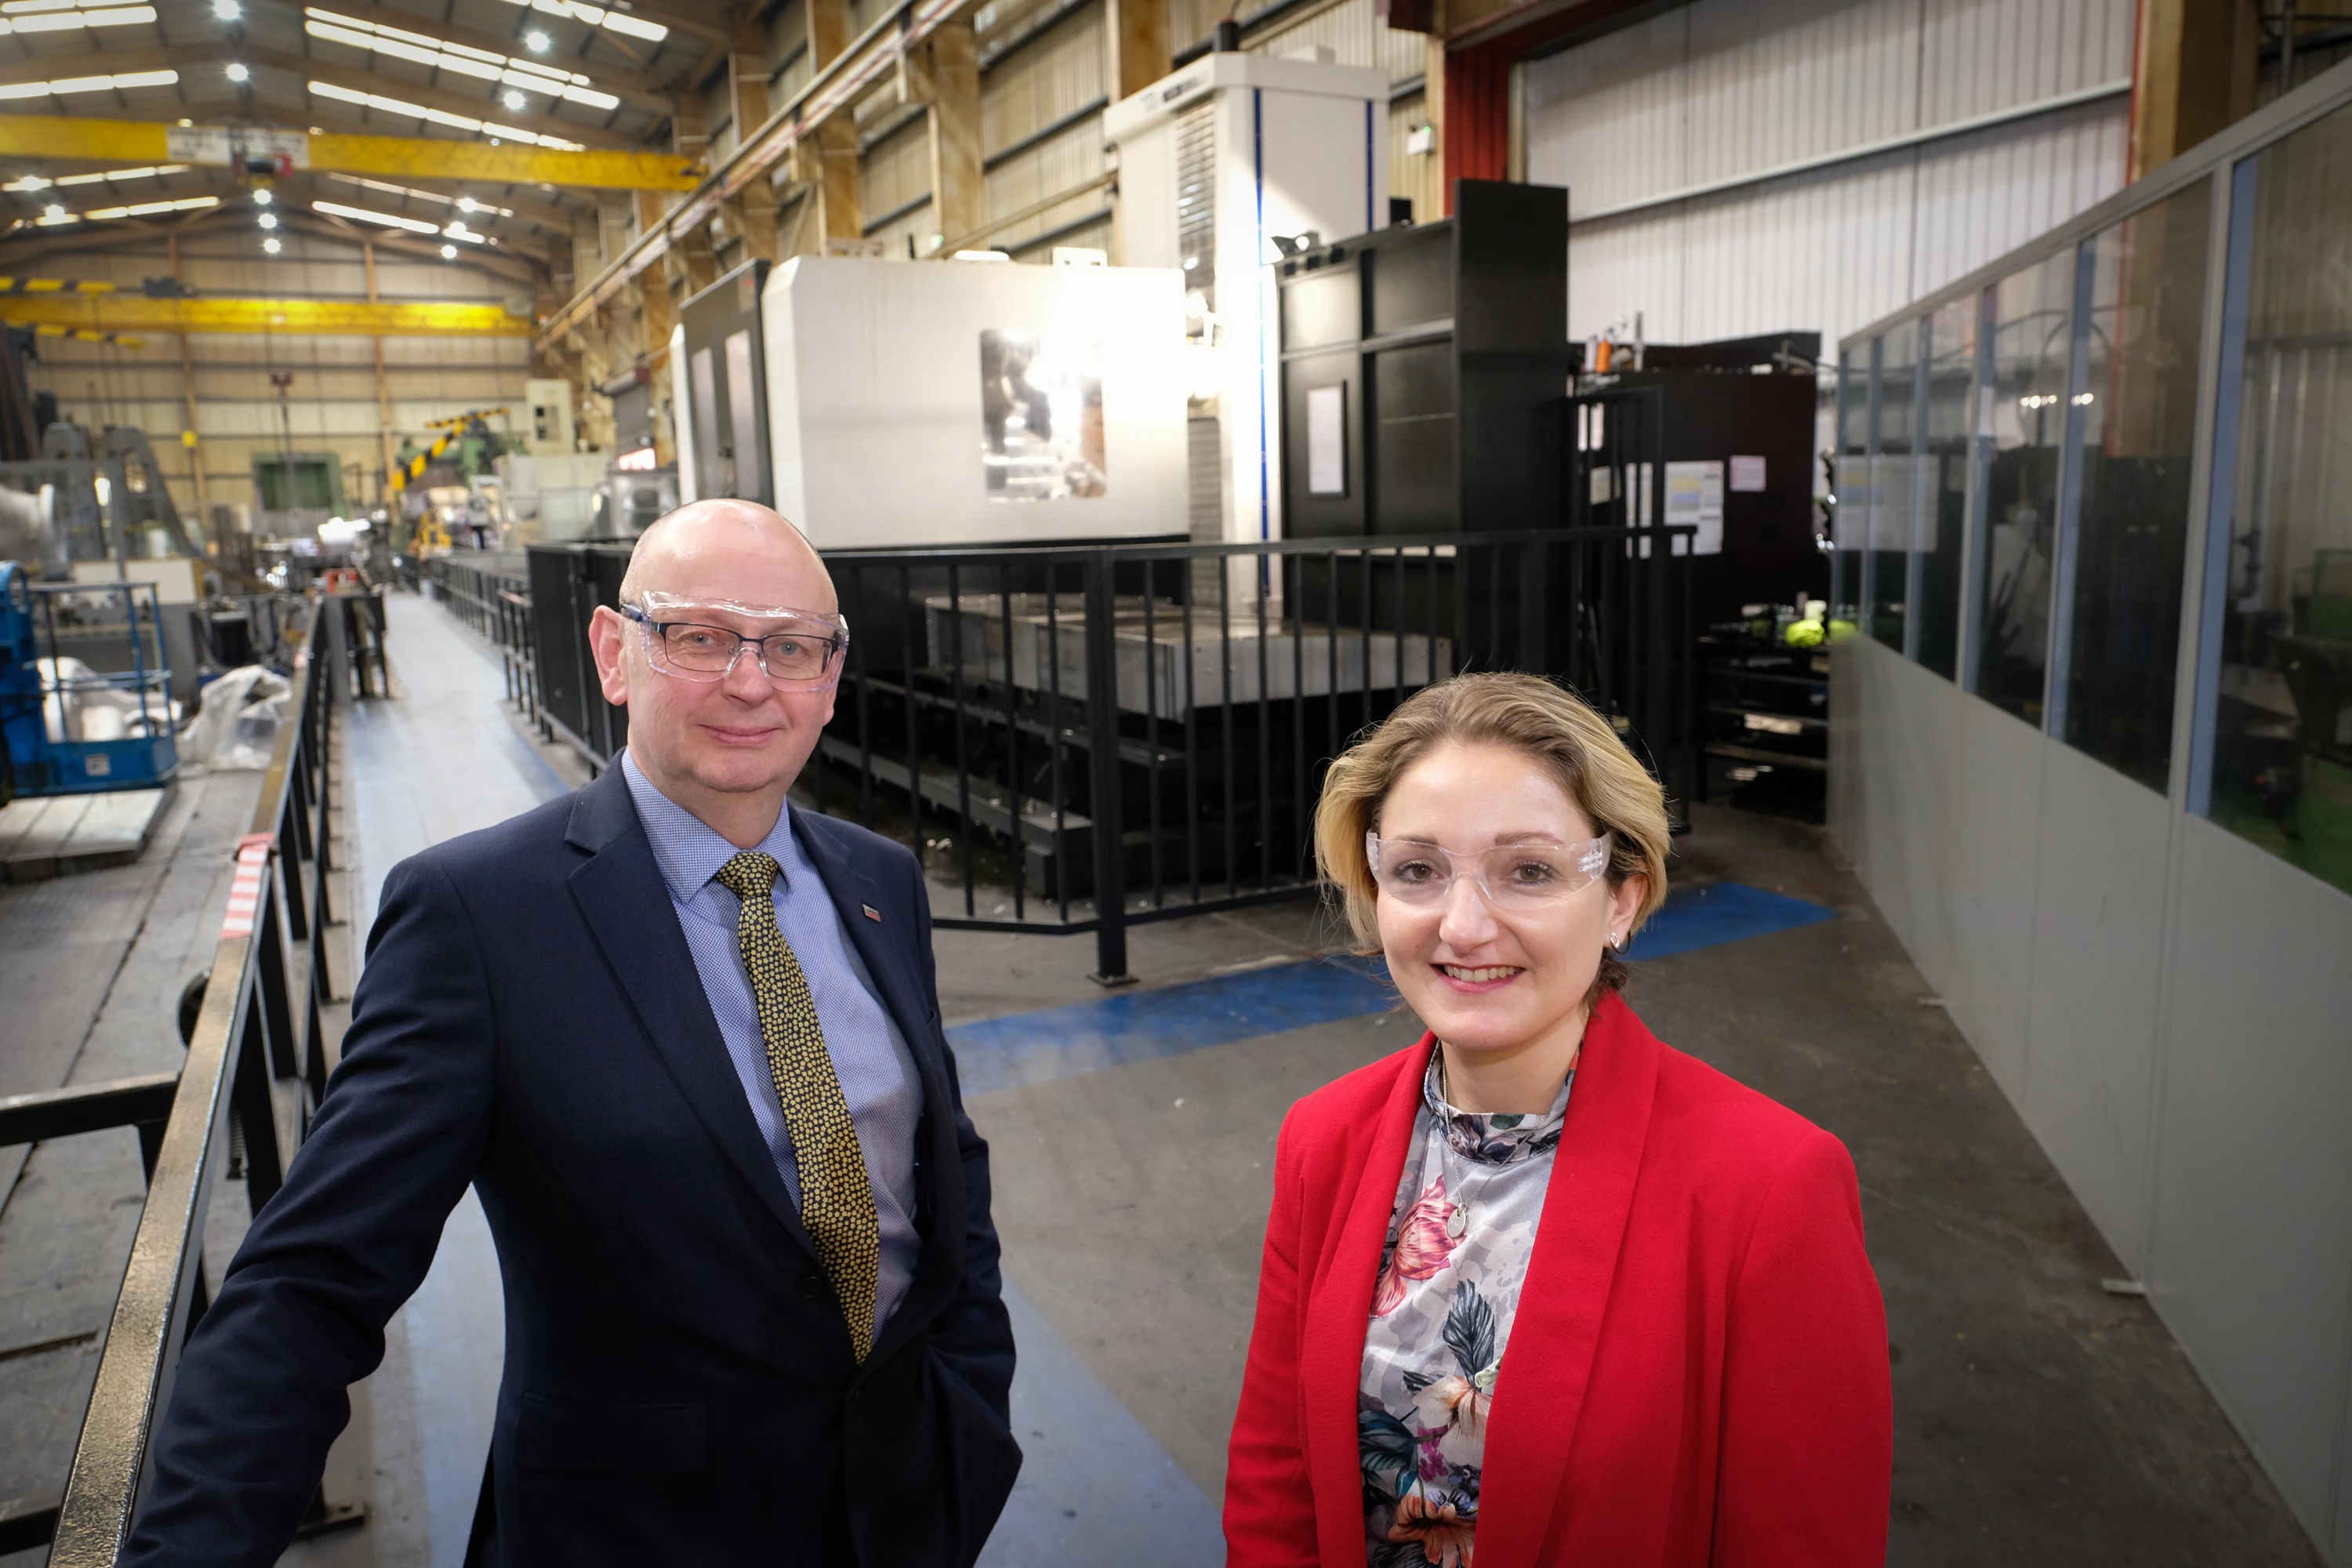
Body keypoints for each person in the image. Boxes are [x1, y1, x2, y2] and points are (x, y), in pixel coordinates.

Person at [125, 500, 1020, 1567]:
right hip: (640, 1529)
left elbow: (937, 1155)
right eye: (699, 636)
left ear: (829, 678)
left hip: (905, 1493)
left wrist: (972, 1385)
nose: (749, 682)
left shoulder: (879, 880)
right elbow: (311, 1281)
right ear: (614, 651)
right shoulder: (480, 917)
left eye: (790, 647)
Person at [1223, 673, 1890, 1566]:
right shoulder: (1324, 1137)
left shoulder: (1769, 1188)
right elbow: (1276, 1480)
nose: (1463, 925)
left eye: (1528, 870)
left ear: (1622, 897)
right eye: (1418, 869)